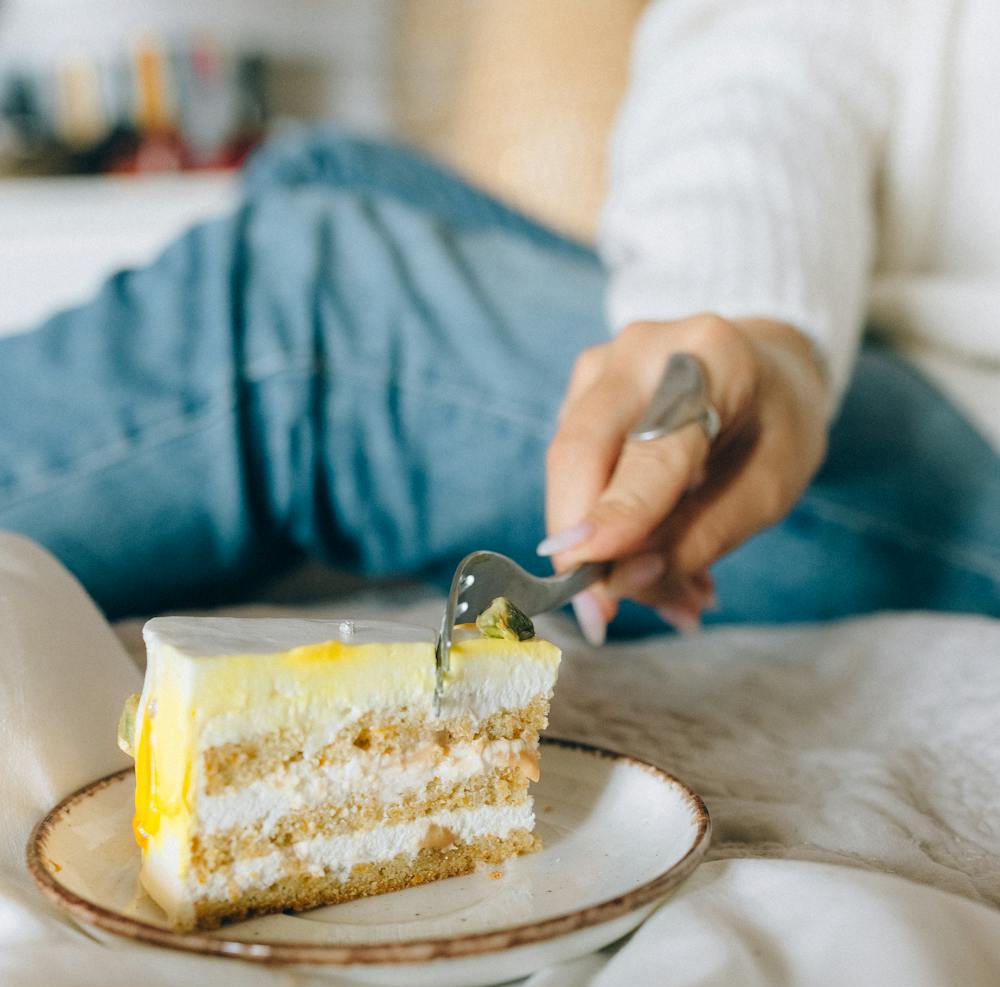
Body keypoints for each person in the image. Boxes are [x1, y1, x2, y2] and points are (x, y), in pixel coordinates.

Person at [1, 0, 997, 639]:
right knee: (326, 174)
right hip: (853, 326)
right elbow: (781, 47)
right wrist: (751, 323)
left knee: (305, 308)